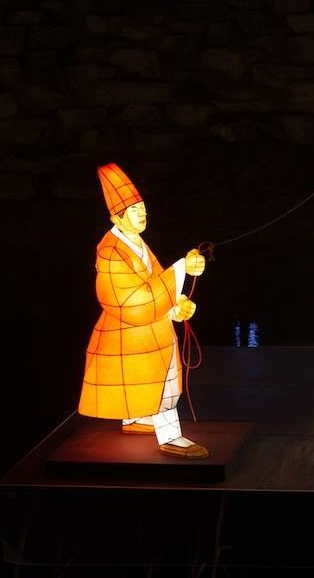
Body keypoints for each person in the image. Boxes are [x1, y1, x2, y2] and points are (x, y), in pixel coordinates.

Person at [77, 163, 210, 459]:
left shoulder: (135, 242)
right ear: (116, 217)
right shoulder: (110, 252)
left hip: (148, 329)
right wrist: (181, 269)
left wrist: (177, 305)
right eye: (136, 212)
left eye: (144, 210)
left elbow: (155, 283)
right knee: (164, 386)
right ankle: (171, 437)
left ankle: (136, 417)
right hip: (129, 332)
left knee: (153, 381)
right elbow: (134, 302)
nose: (143, 216)